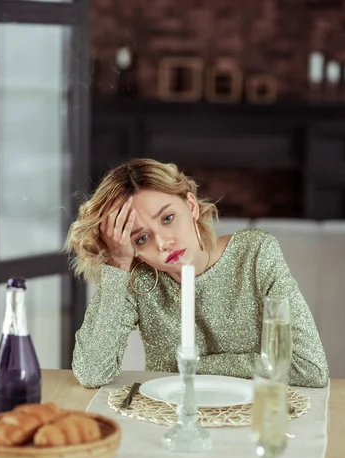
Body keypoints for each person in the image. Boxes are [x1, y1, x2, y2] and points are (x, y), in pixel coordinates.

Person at [65, 158, 329, 388]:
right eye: (142, 238)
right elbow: (91, 373)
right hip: (171, 418)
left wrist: (191, 366)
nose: (163, 243)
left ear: (190, 205)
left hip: (248, 417)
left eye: (167, 219)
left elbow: (310, 368)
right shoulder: (139, 280)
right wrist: (118, 264)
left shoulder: (256, 254)